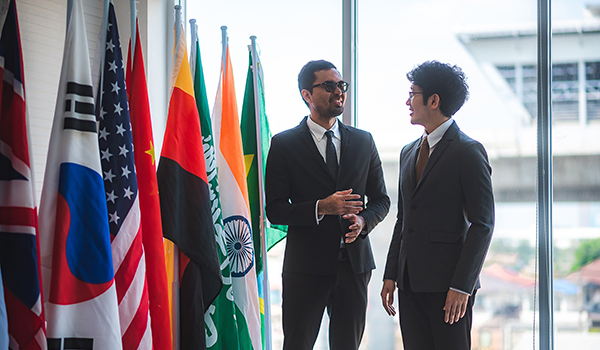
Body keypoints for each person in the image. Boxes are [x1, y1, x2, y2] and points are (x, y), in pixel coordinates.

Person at [265, 60, 390, 350]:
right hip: (305, 268)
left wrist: (363, 222)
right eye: (330, 86)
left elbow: (381, 200)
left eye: (341, 85)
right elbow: (275, 210)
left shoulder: (363, 141)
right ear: (307, 95)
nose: (339, 91)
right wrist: (322, 207)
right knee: (297, 344)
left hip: (355, 267)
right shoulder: (283, 144)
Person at [380, 61, 495, 350]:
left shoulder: (468, 152)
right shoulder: (408, 153)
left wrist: (462, 286)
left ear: (433, 100)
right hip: (409, 284)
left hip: (449, 288)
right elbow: (403, 219)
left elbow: (483, 224)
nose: (407, 101)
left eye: (413, 93)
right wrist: (391, 273)